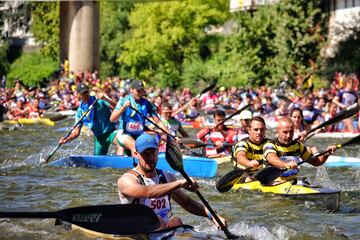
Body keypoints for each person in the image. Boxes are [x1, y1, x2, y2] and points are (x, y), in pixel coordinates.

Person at [117, 133, 227, 230]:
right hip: (139, 231)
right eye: (146, 153)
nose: (150, 157)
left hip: (165, 231)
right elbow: (148, 192)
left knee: (176, 221)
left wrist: (214, 216)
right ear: (136, 154)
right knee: (158, 220)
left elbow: (187, 203)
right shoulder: (126, 180)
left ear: (157, 152)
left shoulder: (166, 177)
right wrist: (179, 183)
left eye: (153, 152)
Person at [263, 117, 337, 180]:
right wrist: (286, 164)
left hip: (292, 181)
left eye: (291, 132)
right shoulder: (270, 145)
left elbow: (315, 162)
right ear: (277, 132)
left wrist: (326, 154)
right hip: (273, 181)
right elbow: (271, 158)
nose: (288, 136)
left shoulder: (298, 146)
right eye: (285, 132)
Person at [110, 80, 170, 156]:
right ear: (131, 89)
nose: (140, 93)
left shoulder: (147, 103)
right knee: (135, 146)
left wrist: (169, 134)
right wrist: (123, 108)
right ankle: (138, 167)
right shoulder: (123, 101)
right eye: (138, 91)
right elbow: (112, 119)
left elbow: (158, 122)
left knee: (150, 146)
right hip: (124, 133)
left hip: (139, 134)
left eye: (142, 91)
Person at [59, 83, 122, 155]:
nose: (86, 95)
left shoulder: (99, 100)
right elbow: (76, 133)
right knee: (98, 162)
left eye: (86, 92)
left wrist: (106, 98)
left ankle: (122, 160)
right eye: (83, 93)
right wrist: (67, 139)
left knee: (120, 142)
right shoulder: (80, 112)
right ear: (78, 95)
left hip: (111, 132)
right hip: (99, 138)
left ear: (89, 91)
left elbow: (118, 107)